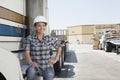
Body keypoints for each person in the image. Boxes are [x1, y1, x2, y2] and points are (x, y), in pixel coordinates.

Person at [24, 16, 62, 80]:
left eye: (43, 25)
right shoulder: (30, 38)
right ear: (35, 27)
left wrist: (55, 59)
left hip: (47, 67)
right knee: (30, 72)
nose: (41, 28)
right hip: (35, 67)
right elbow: (27, 52)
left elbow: (59, 47)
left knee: (49, 76)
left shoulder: (49, 38)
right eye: (39, 26)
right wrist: (30, 62)